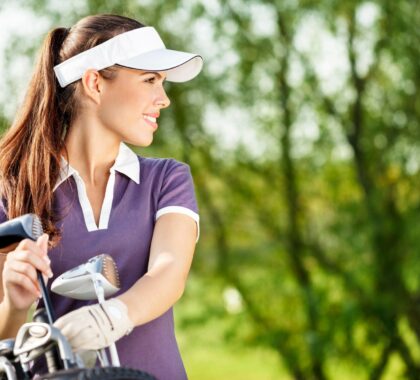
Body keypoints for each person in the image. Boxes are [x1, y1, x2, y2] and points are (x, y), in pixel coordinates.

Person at [0, 14, 203, 379]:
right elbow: (4, 343)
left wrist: (112, 316)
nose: (164, 99)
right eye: (150, 80)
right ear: (95, 83)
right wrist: (15, 308)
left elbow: (168, 272)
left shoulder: (167, 179)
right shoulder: (15, 191)